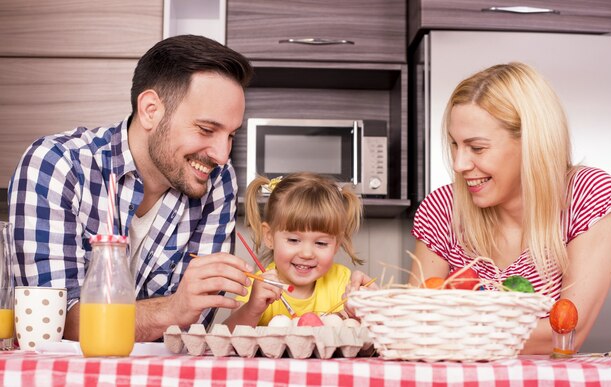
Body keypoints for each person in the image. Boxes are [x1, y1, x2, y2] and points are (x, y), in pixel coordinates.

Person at [8, 35, 255, 342]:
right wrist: (171, 309)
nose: (221, 154)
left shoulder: (218, 181)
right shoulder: (57, 165)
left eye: (231, 135)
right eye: (206, 129)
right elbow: (52, 324)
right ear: (151, 109)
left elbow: (189, 331)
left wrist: (180, 312)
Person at [408, 62, 611, 354]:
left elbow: (565, 332)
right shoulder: (442, 208)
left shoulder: (588, 195)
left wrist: (450, 333)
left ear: (531, 143)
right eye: (455, 145)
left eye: (477, 147)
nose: (459, 164)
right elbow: (413, 324)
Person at [224, 172, 363, 329]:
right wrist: (252, 309)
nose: (306, 253)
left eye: (321, 243)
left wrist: (359, 315)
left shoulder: (341, 282)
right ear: (269, 237)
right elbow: (227, 335)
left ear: (337, 244)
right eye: (293, 240)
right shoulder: (259, 287)